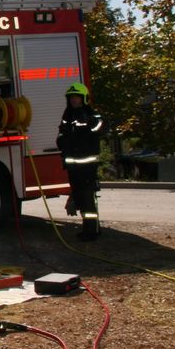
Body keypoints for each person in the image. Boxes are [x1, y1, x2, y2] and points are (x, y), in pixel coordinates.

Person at [57, 82, 103, 241]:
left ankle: (92, 231)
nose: (74, 100)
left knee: (87, 198)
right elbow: (62, 133)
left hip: (87, 167)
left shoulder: (91, 114)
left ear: (84, 98)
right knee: (80, 198)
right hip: (73, 167)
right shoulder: (67, 115)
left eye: (76, 97)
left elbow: (100, 128)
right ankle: (87, 228)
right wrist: (61, 142)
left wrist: (89, 124)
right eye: (71, 98)